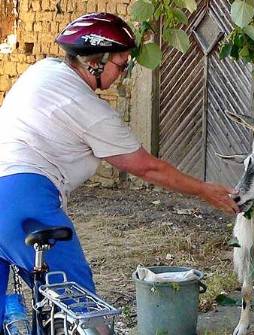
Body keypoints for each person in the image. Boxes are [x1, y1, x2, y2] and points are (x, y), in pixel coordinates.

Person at [0, 12, 239, 329]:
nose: (124, 75)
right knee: (80, 310)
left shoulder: (42, 72)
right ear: (95, 61)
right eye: (122, 65)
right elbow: (148, 168)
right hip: (23, 199)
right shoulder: (88, 107)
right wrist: (204, 189)